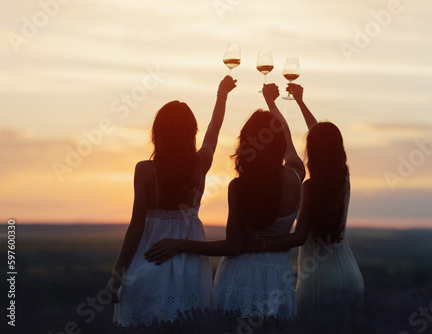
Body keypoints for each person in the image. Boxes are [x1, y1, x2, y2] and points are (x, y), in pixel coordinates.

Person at [144, 83, 306, 319]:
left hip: (239, 279)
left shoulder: (240, 187)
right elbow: (287, 134)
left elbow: (232, 247)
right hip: (278, 279)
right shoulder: (295, 174)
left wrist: (181, 244)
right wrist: (272, 103)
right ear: (280, 143)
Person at [105, 76, 237, 326]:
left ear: (158, 132)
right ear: (191, 132)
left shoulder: (144, 170)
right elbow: (214, 129)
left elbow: (136, 226)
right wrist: (222, 94)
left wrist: (117, 274)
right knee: (187, 322)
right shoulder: (201, 164)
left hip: (148, 255)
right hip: (189, 259)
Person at [243, 83, 364, 313]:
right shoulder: (344, 181)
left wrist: (258, 245)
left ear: (311, 150)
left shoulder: (310, 187)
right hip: (351, 276)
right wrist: (299, 101)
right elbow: (323, 139)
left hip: (318, 280)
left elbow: (298, 238)